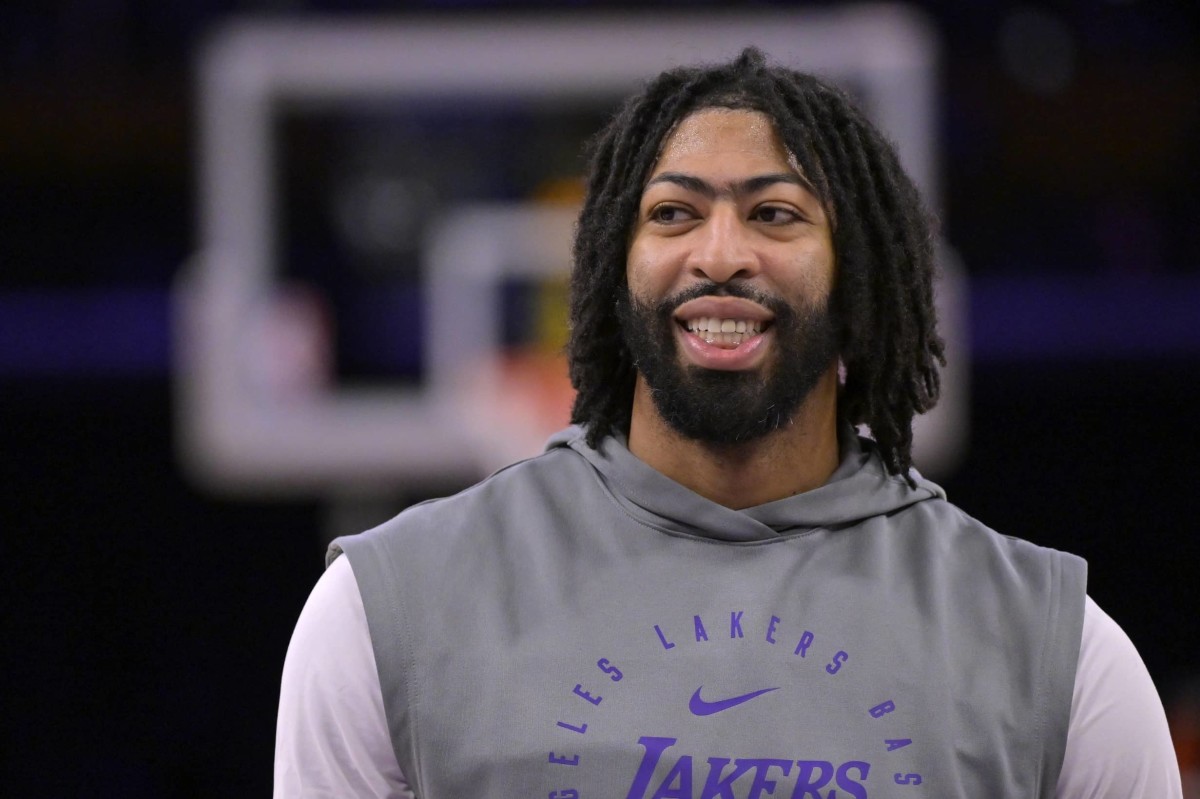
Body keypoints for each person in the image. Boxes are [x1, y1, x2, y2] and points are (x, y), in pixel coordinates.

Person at [274, 49, 1181, 798]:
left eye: (774, 213)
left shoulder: (1054, 652)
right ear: (610, 270)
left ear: (858, 274)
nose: (718, 254)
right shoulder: (384, 612)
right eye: (673, 213)